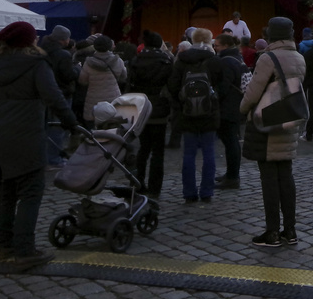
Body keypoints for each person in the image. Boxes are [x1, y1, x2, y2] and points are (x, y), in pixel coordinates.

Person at [0, 21, 76, 269]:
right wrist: (72, 123)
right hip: (25, 136)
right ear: (27, 41)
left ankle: (5, 248)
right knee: (30, 193)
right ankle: (25, 251)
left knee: (4, 196)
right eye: (34, 35)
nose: (37, 38)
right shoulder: (36, 64)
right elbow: (54, 96)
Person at [240, 17, 307, 246]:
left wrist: (242, 108)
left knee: (268, 178)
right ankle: (290, 229)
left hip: (267, 123)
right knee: (286, 176)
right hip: (288, 121)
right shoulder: (298, 57)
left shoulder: (268, 58)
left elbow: (254, 91)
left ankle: (272, 232)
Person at [167, 27, 226, 202]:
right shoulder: (214, 61)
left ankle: (189, 192)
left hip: (187, 113)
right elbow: (222, 86)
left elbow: (172, 86)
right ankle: (207, 191)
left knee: (189, 154)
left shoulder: (181, 61)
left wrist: (181, 104)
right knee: (209, 152)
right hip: (209, 112)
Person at [125, 30, 174, 194]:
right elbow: (172, 86)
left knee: (143, 148)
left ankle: (138, 183)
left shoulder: (135, 61)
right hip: (159, 108)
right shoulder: (166, 61)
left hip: (140, 107)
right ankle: (155, 187)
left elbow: (128, 84)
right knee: (158, 151)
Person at [215, 33, 249, 189]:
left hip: (228, 107)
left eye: (218, 45)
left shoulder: (226, 62)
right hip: (236, 105)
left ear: (226, 46)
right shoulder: (237, 58)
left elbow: (223, 86)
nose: (215, 48)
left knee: (230, 141)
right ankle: (231, 174)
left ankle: (233, 176)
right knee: (231, 141)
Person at [77, 35, 127, 124]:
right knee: (113, 125)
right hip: (113, 98)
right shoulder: (118, 61)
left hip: (93, 99)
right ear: (109, 46)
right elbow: (123, 77)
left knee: (92, 126)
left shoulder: (88, 63)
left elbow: (82, 81)